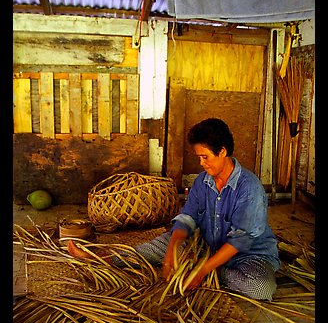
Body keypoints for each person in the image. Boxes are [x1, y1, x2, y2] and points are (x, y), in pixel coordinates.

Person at [68, 118, 280, 300]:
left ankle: (217, 270)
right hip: (206, 246)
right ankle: (98, 258)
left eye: (205, 157)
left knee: (261, 288)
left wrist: (200, 271)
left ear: (222, 151)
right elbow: (187, 218)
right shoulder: (202, 182)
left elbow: (240, 241)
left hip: (247, 255)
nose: (201, 163)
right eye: (198, 157)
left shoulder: (249, 187)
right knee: (154, 248)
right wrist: (171, 250)